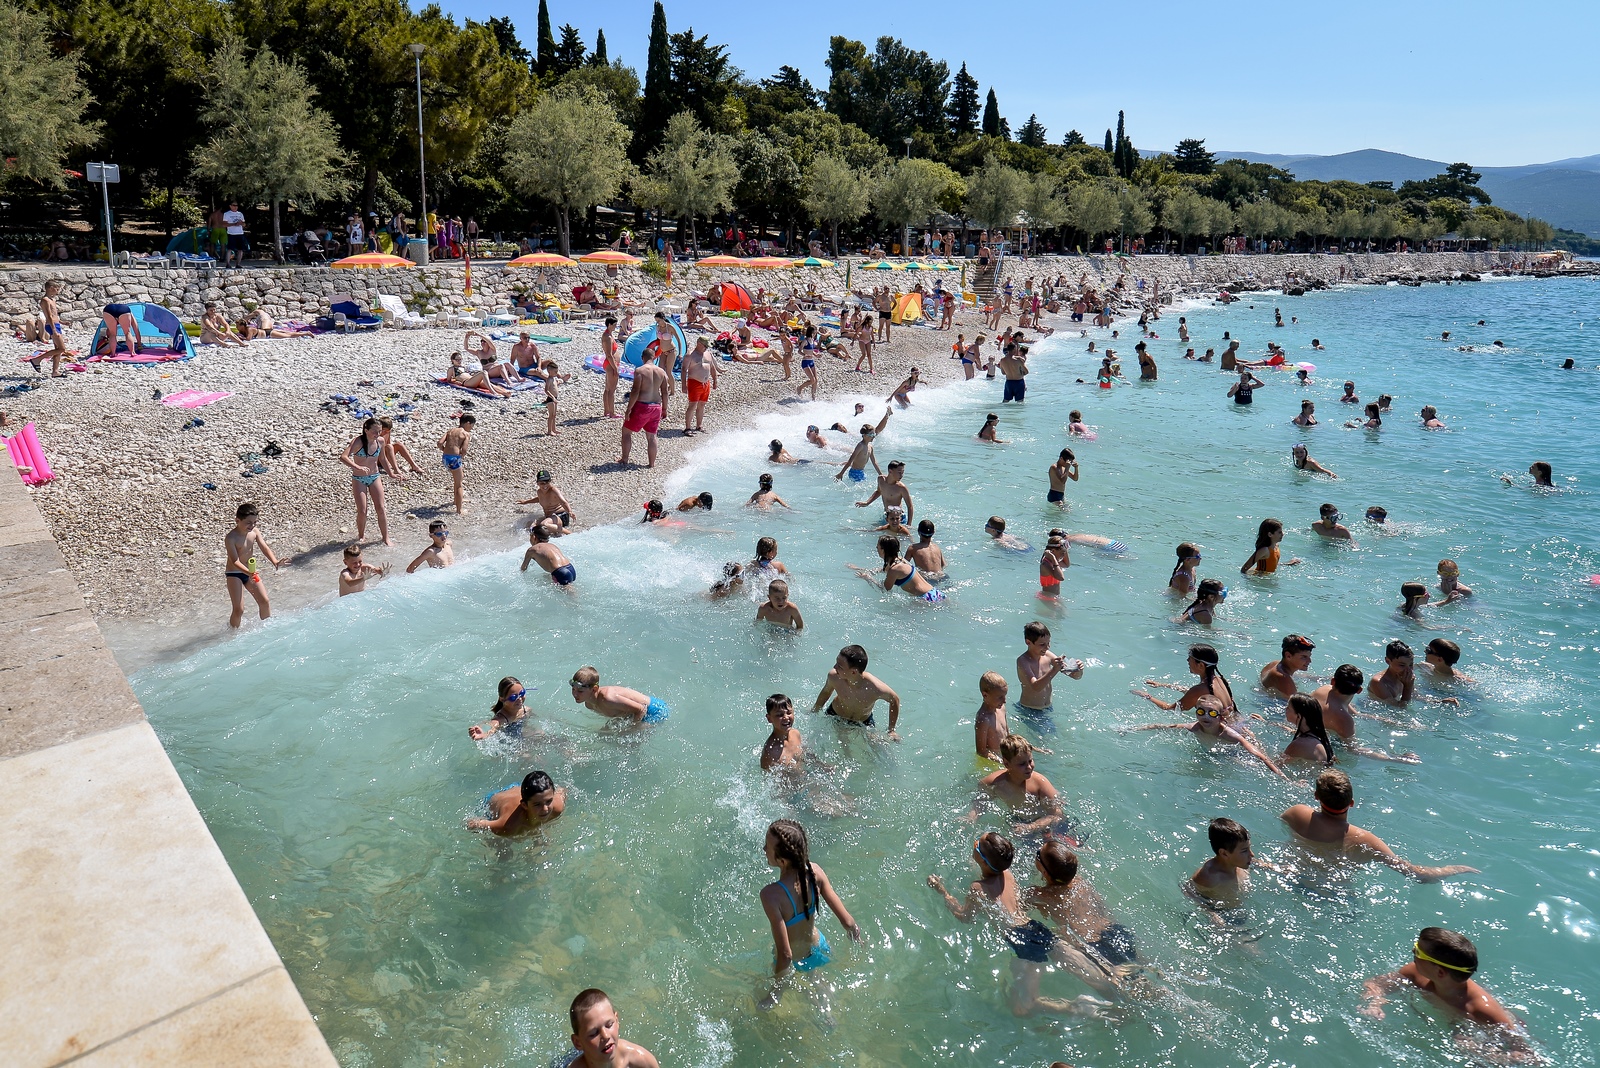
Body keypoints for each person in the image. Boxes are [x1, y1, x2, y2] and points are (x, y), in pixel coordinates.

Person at [1360, 928, 1534, 1058]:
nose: (1413, 952)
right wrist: (1375, 1002)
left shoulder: (1481, 1009)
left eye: (1418, 952)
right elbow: (1375, 983)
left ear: (1440, 973)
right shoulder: (1414, 973)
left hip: (1483, 1032)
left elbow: (1529, 1058)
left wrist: (1481, 1052)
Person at [1281, 769, 1479, 882]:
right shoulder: (1364, 839)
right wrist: (1453, 869)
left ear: (1316, 797)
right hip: (1332, 893)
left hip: (1295, 879)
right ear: (1351, 803)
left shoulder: (1296, 813)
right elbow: (1416, 873)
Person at [759, 819, 862, 1011]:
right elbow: (848, 922)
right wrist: (858, 940)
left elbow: (786, 954)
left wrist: (776, 992)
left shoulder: (771, 895)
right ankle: (828, 1015)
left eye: (768, 846)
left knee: (786, 990)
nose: (764, 848)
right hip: (818, 945)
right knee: (814, 979)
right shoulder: (816, 872)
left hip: (795, 957)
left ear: (782, 861)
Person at [1130, 695, 1288, 779]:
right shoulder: (1195, 727)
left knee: (1247, 765)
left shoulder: (1228, 735)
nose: (1205, 716)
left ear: (1220, 718)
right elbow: (1162, 726)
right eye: (1201, 712)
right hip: (1211, 752)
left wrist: (1285, 778)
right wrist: (1132, 729)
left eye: (1212, 713)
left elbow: (1260, 755)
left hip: (1232, 752)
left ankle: (1250, 725)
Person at [809, 644, 901, 739]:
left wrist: (891, 730)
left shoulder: (874, 687)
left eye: (839, 666)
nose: (834, 667)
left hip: (863, 721)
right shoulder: (834, 677)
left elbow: (894, 700)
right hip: (835, 715)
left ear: (853, 672)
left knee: (877, 747)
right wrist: (815, 709)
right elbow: (826, 692)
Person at [224, 502, 288, 628]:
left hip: (250, 571)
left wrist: (275, 561)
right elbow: (235, 561)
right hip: (234, 573)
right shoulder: (231, 538)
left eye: (254, 522)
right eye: (248, 522)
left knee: (264, 601)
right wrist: (249, 573)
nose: (252, 525)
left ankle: (267, 628)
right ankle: (232, 634)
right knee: (239, 609)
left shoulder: (254, 532)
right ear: (237, 520)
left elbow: (265, 548)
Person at [1134, 643, 1238, 717]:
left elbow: (1170, 708)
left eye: (1190, 658)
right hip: (1237, 724)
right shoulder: (1219, 680)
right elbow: (1192, 692)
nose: (1187, 660)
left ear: (1201, 665)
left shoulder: (1200, 690)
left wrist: (1147, 696)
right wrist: (1162, 685)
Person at [1016, 621, 1084, 729]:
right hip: (1030, 709)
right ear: (1028, 642)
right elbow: (1035, 687)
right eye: (1042, 644)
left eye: (1048, 643)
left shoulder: (1048, 655)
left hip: (1048, 708)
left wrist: (1078, 669)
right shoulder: (1023, 661)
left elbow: (1075, 676)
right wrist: (1054, 670)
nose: (1047, 647)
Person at [1188, 818, 1264, 909]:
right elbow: (1188, 890)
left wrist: (1278, 868)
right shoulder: (1210, 876)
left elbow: (1259, 864)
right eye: (1244, 851)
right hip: (1221, 912)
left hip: (1239, 908)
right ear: (1224, 853)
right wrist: (1211, 914)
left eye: (1249, 848)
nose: (1252, 854)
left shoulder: (1242, 862)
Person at [341, 418, 394, 545]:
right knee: (362, 510)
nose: (378, 434)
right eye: (375, 431)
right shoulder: (358, 442)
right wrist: (357, 467)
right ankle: (361, 536)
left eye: (380, 431)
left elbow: (383, 459)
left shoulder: (380, 441)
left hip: (375, 476)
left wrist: (391, 473)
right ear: (366, 430)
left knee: (381, 508)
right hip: (359, 479)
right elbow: (343, 457)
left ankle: (385, 538)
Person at [467, 771, 566, 837]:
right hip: (494, 798)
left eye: (549, 801)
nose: (545, 809)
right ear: (524, 805)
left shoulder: (557, 807)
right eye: (537, 805)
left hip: (523, 789)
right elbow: (473, 824)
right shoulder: (508, 826)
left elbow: (562, 791)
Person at [850, 534, 943, 604]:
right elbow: (881, 570)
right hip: (936, 593)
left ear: (883, 550)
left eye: (877, 547)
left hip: (926, 599)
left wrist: (868, 578)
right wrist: (859, 568)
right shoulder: (900, 560)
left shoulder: (894, 570)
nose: (876, 548)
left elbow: (884, 590)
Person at [620, 351, 671, 468]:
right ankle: (651, 463)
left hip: (642, 406)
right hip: (656, 407)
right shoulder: (661, 372)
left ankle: (625, 459)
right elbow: (664, 392)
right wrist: (665, 409)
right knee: (652, 436)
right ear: (654, 358)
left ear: (643, 357)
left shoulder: (640, 371)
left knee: (626, 431)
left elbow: (635, 391)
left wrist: (629, 409)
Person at [569, 665, 669, 724]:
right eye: (573, 689)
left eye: (580, 691)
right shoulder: (589, 704)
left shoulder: (608, 698)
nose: (575, 694)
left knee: (627, 744)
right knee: (602, 736)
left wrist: (631, 729)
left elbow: (641, 709)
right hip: (633, 713)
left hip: (655, 710)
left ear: (594, 689)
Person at [1281, 693, 1335, 764]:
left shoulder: (1299, 744)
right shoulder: (1321, 736)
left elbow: (1278, 766)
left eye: (1288, 708)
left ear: (1299, 716)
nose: (1285, 709)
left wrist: (1261, 751)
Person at [680, 336, 719, 435]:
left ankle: (699, 425)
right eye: (704, 346)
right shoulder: (690, 355)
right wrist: (683, 385)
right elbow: (684, 369)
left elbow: (712, 367)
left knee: (702, 404)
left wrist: (715, 380)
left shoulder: (708, 354)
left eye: (707, 346)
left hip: (706, 383)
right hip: (694, 382)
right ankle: (687, 428)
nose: (706, 348)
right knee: (692, 405)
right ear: (699, 343)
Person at [437, 414, 474, 515]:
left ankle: (456, 500)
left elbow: (439, 443)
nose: (471, 428)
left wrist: (445, 450)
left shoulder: (450, 431)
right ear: (467, 423)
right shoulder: (465, 434)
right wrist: (461, 456)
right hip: (454, 459)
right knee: (459, 484)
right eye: (472, 426)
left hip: (445, 458)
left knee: (456, 479)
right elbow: (465, 450)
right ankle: (459, 510)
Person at [30, 280, 68, 376]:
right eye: (57, 289)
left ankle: (55, 371)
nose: (58, 291)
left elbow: (54, 315)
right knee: (62, 349)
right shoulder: (45, 300)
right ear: (51, 288)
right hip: (52, 326)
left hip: (56, 325)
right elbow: (49, 316)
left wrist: (62, 322)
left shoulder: (52, 300)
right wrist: (54, 330)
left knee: (57, 349)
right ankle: (37, 359)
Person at [521, 520, 576, 586]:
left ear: (534, 537)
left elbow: (523, 568)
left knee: (571, 595)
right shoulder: (552, 545)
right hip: (570, 568)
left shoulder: (532, 550)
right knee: (546, 577)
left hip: (560, 572)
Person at [834, 419, 885, 483]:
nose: (873, 436)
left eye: (874, 434)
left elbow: (874, 462)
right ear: (864, 435)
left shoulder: (870, 447)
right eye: (871, 435)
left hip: (862, 472)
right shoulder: (860, 446)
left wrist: (881, 474)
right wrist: (841, 474)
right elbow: (850, 461)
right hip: (854, 472)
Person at [599, 316, 622, 418]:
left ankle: (607, 410)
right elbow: (609, 354)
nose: (615, 327)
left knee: (608, 389)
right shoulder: (607, 337)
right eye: (614, 325)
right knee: (611, 389)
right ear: (609, 325)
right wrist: (615, 368)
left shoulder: (608, 335)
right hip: (611, 364)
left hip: (610, 363)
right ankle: (612, 412)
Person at [223, 201, 246, 267]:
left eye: (236, 205)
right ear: (230, 206)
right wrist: (234, 224)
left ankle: (238, 263)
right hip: (231, 233)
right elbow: (224, 224)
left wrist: (241, 223)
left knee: (240, 249)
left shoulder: (240, 214)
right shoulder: (227, 214)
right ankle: (228, 263)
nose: (235, 207)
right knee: (230, 249)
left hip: (240, 233)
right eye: (234, 205)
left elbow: (244, 224)